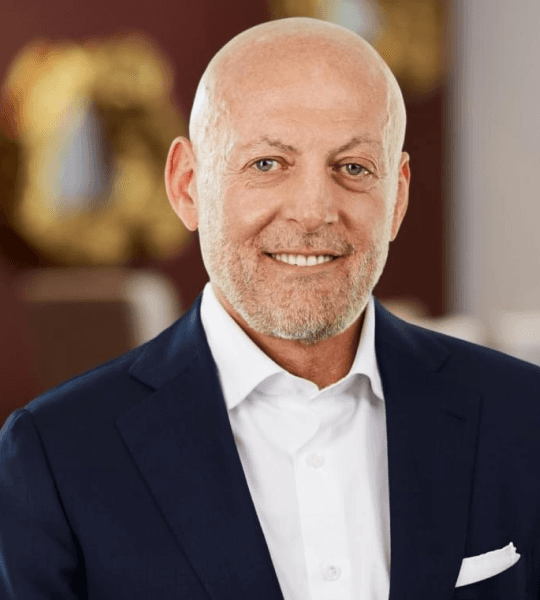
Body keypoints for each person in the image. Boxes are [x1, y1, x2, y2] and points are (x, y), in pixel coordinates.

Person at [0, 17, 539, 600]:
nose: (313, 211)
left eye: (353, 167)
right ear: (187, 185)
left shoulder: (523, 418)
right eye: (267, 164)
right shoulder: (54, 457)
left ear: (398, 197)